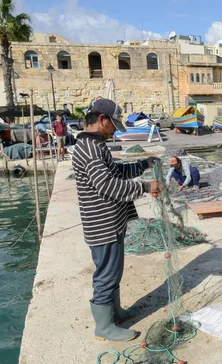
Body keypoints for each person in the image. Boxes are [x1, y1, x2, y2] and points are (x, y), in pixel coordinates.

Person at [71, 98, 162, 342]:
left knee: (114, 270)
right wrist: (145, 186)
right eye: (112, 124)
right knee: (106, 274)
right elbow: (109, 186)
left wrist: (143, 164)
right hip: (102, 225)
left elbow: (116, 173)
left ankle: (115, 312)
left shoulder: (95, 145)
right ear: (101, 119)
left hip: (110, 221)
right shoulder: (91, 149)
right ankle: (104, 326)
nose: (114, 130)